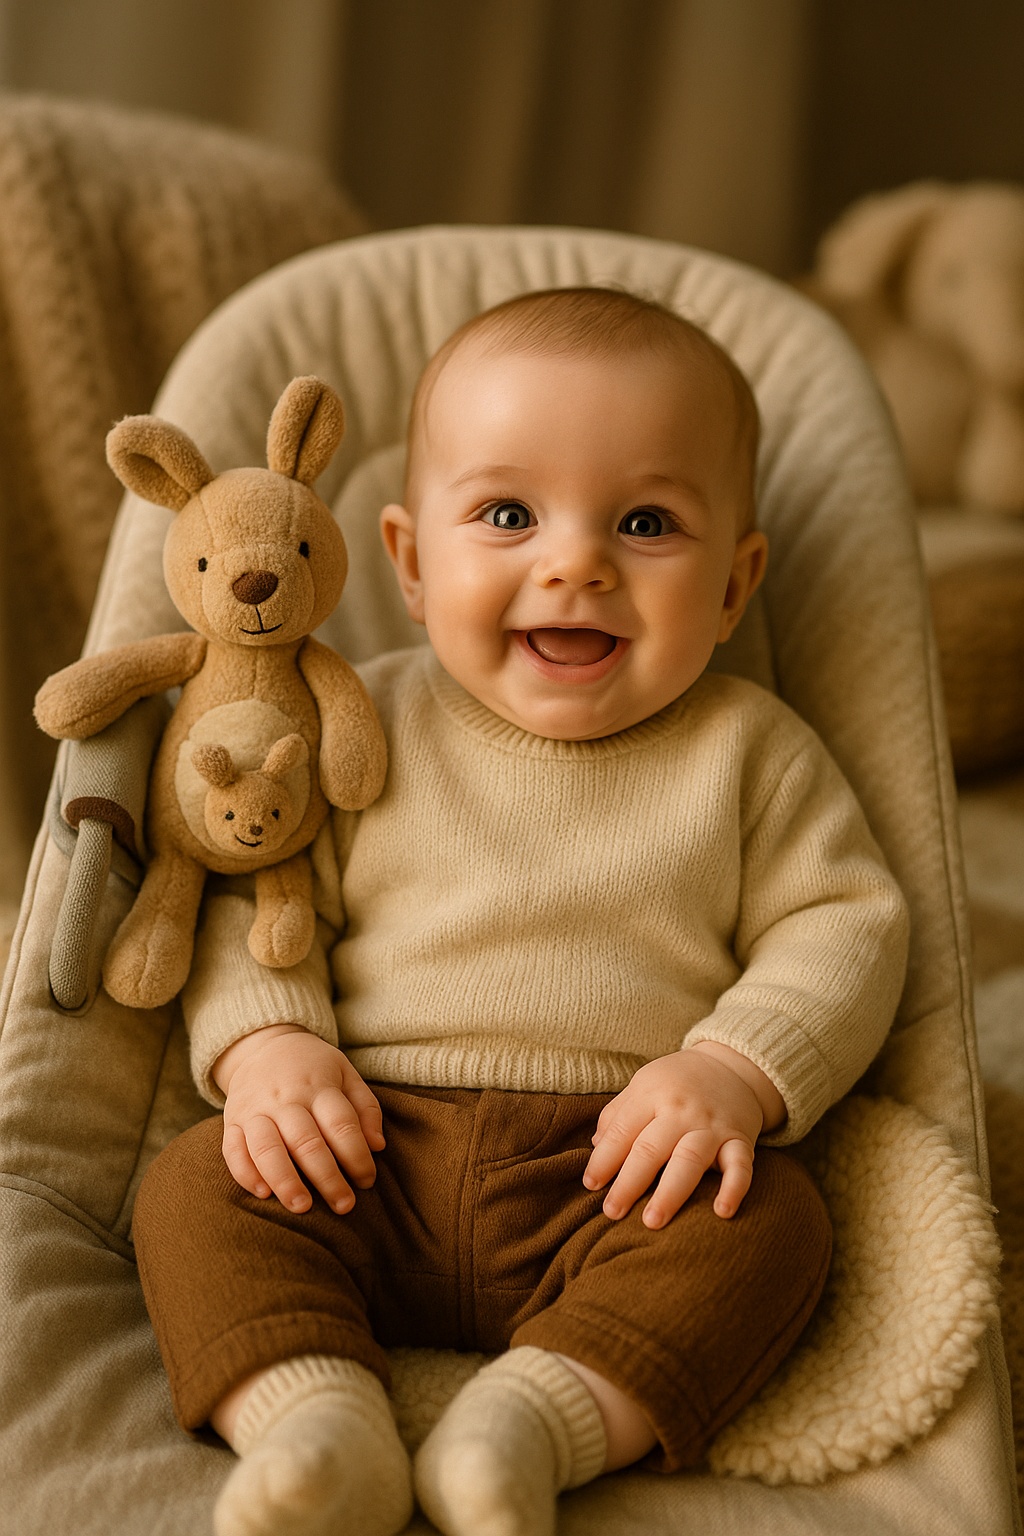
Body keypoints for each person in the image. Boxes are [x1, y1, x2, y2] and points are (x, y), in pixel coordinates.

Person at [131, 286, 910, 1536]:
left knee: (772, 1226)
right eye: (507, 514)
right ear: (411, 563)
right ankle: (314, 1417)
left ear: (732, 585)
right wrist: (270, 1044)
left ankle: (536, 1422)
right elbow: (258, 898)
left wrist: (732, 1070)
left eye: (647, 522)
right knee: (193, 1189)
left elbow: (846, 924)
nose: (576, 561)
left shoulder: (750, 751)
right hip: (362, 1150)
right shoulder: (352, 730)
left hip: (615, 1172)